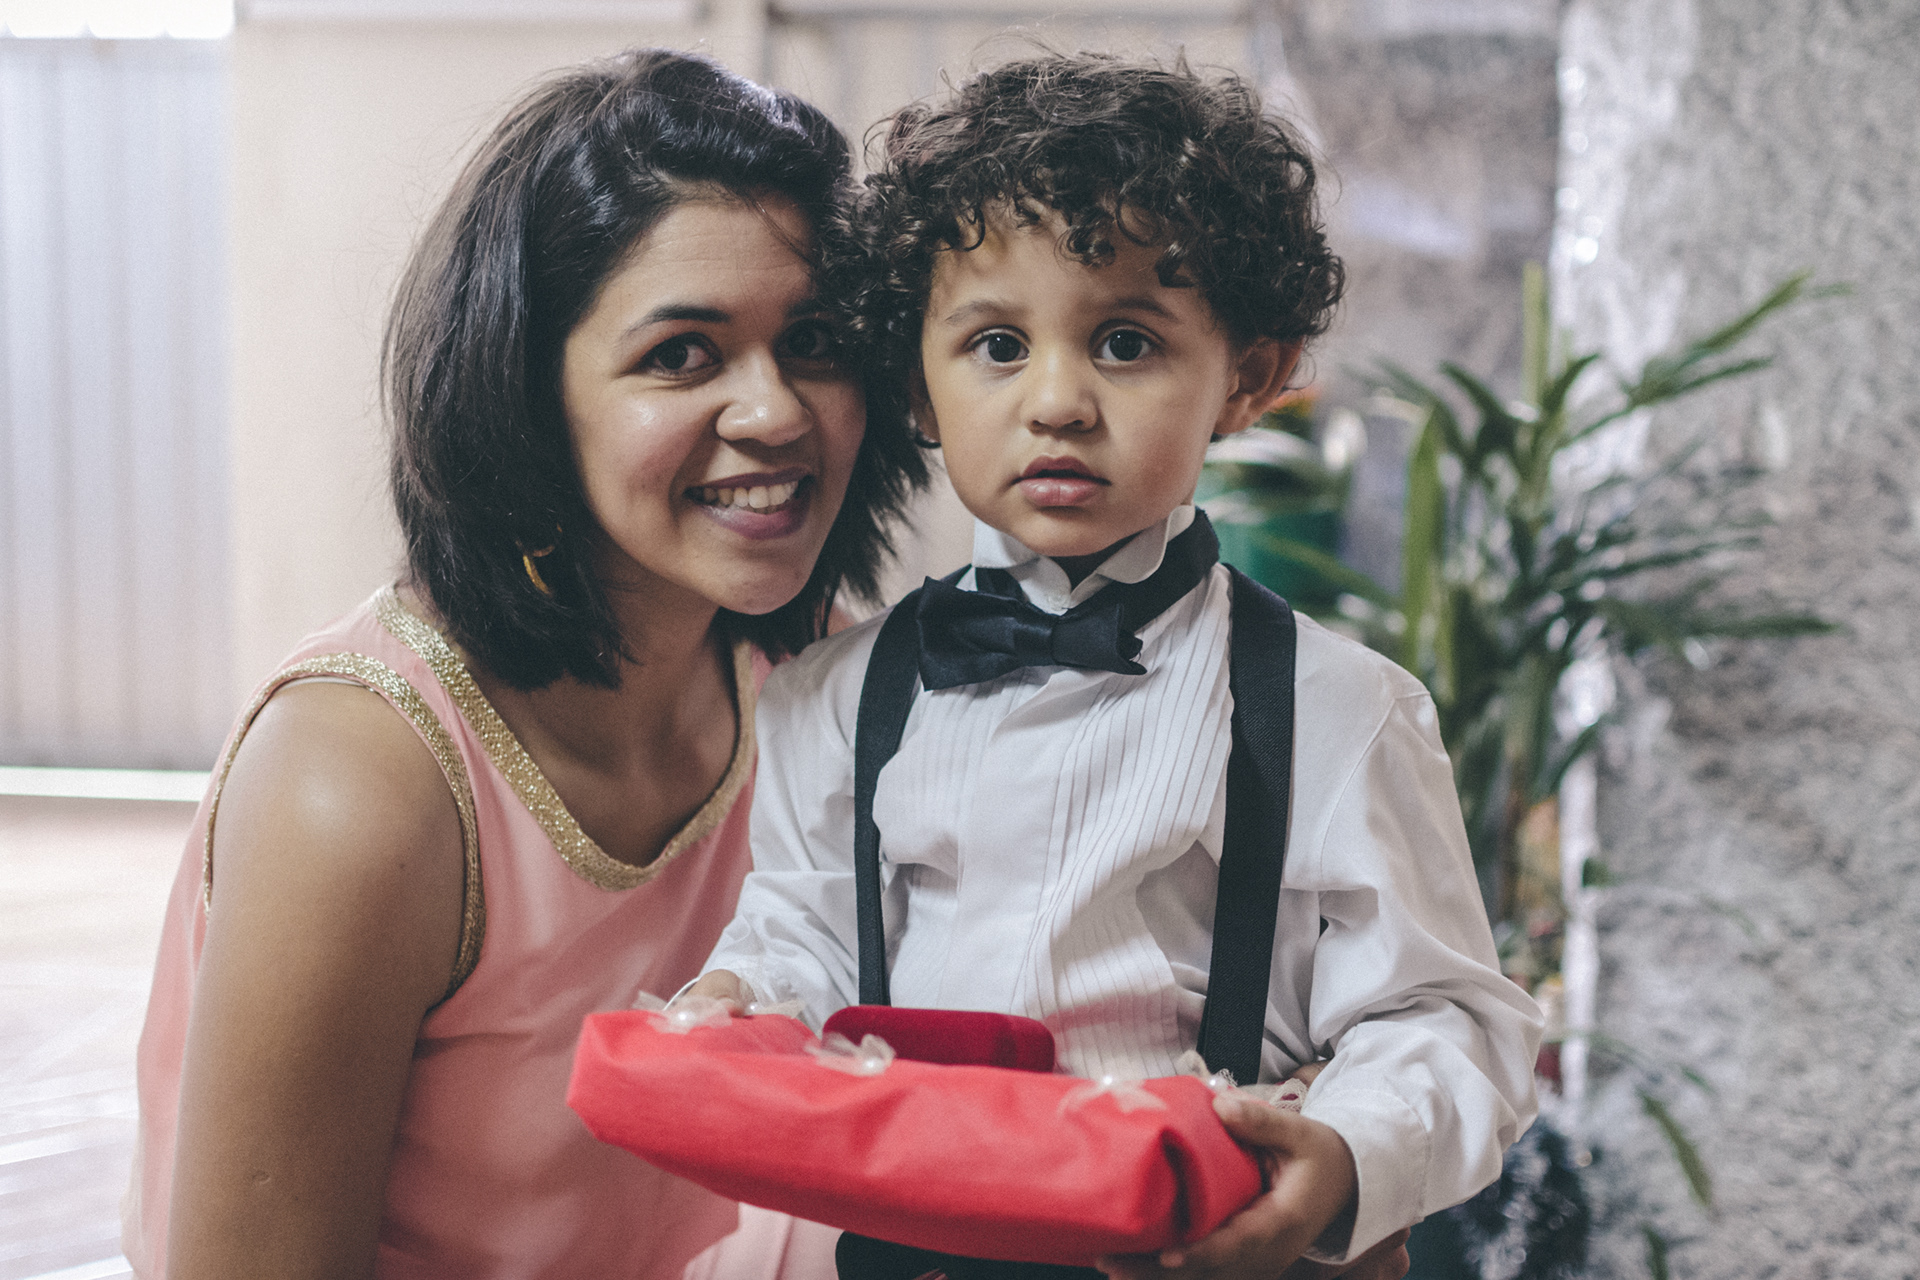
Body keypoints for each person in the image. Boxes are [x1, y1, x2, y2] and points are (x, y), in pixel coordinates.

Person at [691, 53, 1544, 1279]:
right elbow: (805, 941)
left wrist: (1347, 1157)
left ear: (1247, 376)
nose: (1058, 401)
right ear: (918, 385)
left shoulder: (1342, 708)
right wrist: (741, 997)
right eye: (996, 343)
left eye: (1126, 341)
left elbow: (1445, 1017)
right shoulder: (832, 696)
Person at [123, 48, 927, 1279]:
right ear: (527, 393)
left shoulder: (832, 679)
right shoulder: (360, 780)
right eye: (682, 353)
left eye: (814, 339)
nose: (775, 411)